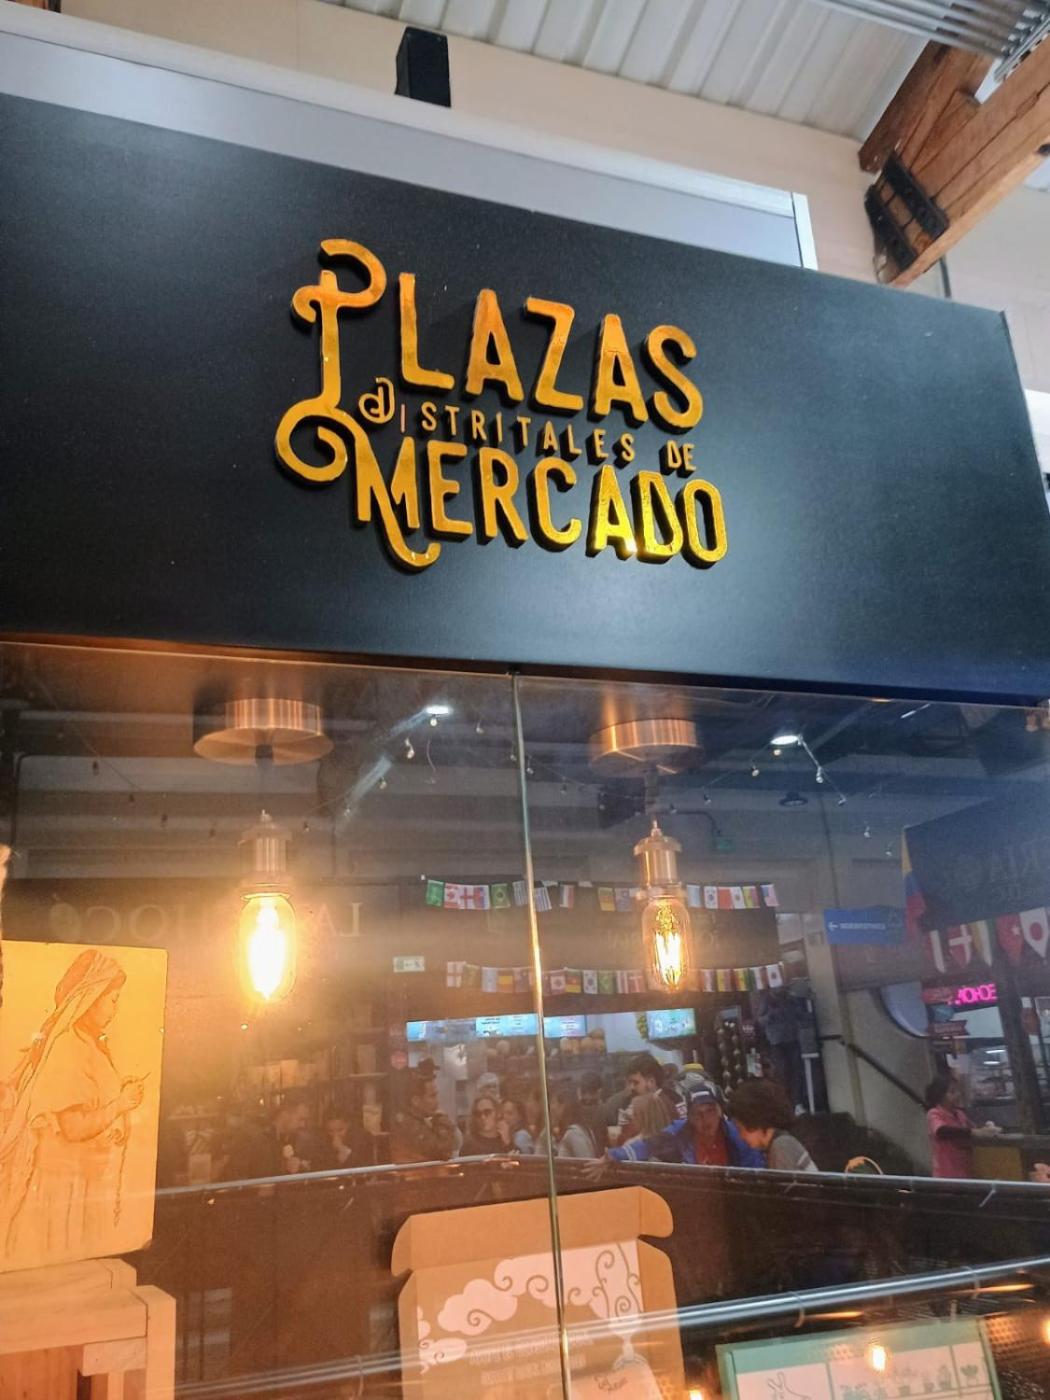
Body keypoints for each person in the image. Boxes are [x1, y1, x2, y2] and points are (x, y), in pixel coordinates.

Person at [0, 948, 146, 1259]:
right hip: (63, 1191)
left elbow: (92, 1106)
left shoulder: (90, 1045)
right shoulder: (68, 1047)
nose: (116, 1009)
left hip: (84, 1186)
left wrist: (118, 1108)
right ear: (91, 999)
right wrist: (119, 1105)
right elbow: (73, 1127)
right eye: (113, 1000)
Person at [607, 1084, 764, 1167]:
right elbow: (649, 1145)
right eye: (697, 1113)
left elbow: (755, 1172)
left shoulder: (738, 1135)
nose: (705, 1119)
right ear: (689, 1117)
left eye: (710, 1111)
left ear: (719, 1111)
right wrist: (614, 1155)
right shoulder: (680, 1131)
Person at [729, 1080, 818, 1173]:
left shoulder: (781, 1147)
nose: (741, 1136)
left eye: (740, 1129)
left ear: (754, 1122)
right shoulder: (778, 1145)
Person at [925, 1073, 997, 1178]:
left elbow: (973, 1128)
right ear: (940, 1095)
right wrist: (973, 1132)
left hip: (964, 1172)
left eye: (958, 1091)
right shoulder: (934, 1113)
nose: (957, 1095)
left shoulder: (960, 1114)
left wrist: (987, 1128)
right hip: (946, 1174)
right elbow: (941, 1131)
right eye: (952, 1092)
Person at [226, 1095, 311, 1180]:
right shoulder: (257, 1139)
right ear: (285, 1115)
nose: (303, 1125)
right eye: (300, 1119)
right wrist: (284, 1166)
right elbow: (257, 1178)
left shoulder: (291, 1139)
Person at [390, 1071, 458, 1164]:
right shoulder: (408, 1125)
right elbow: (443, 1151)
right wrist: (442, 1121)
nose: (437, 1102)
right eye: (432, 1096)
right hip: (418, 1173)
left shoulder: (421, 1121)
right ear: (416, 1100)